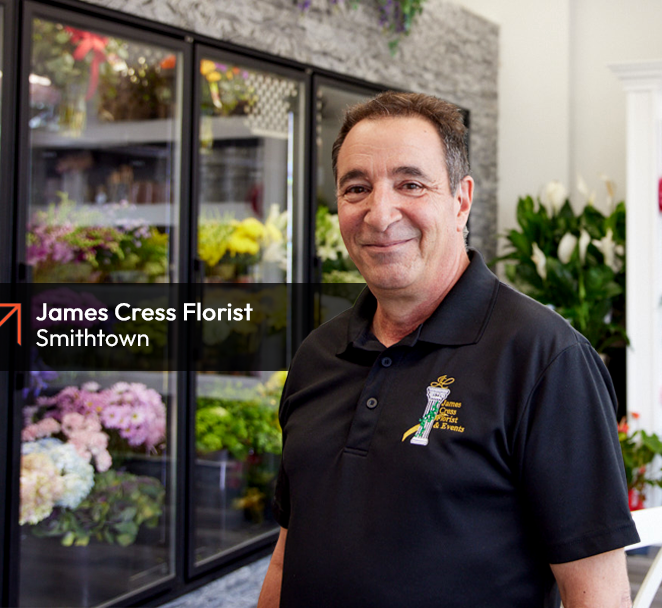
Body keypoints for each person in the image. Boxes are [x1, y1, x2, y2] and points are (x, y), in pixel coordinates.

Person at [258, 92, 638, 608]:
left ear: (461, 200)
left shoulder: (544, 358)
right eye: (356, 188)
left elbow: (599, 595)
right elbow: (288, 551)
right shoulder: (318, 353)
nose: (379, 212)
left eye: (411, 184)